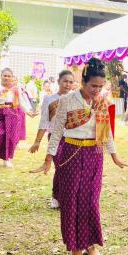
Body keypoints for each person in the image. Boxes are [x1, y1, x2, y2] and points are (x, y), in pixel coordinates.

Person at [30, 58, 128, 255]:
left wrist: (115, 156)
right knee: (70, 201)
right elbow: (57, 131)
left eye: (100, 86)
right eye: (93, 86)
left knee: (91, 200)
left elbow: (106, 132)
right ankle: (75, 246)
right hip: (70, 154)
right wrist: (48, 159)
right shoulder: (67, 100)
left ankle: (90, 244)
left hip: (94, 154)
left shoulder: (101, 101)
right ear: (83, 82)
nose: (97, 90)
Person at [29, 70, 74, 208]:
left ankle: (67, 197)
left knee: (70, 169)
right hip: (56, 138)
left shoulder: (76, 98)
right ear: (59, 82)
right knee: (60, 166)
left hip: (73, 139)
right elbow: (44, 121)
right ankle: (56, 196)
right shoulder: (49, 99)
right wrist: (37, 141)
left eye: (71, 82)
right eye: (65, 81)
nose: (68, 84)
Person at [0, 68, 36, 167]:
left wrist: (28, 112)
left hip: (12, 114)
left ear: (11, 77)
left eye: (9, 76)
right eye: (5, 75)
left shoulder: (15, 89)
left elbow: (21, 102)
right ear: (1, 76)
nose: (6, 78)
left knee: (10, 137)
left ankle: (7, 159)